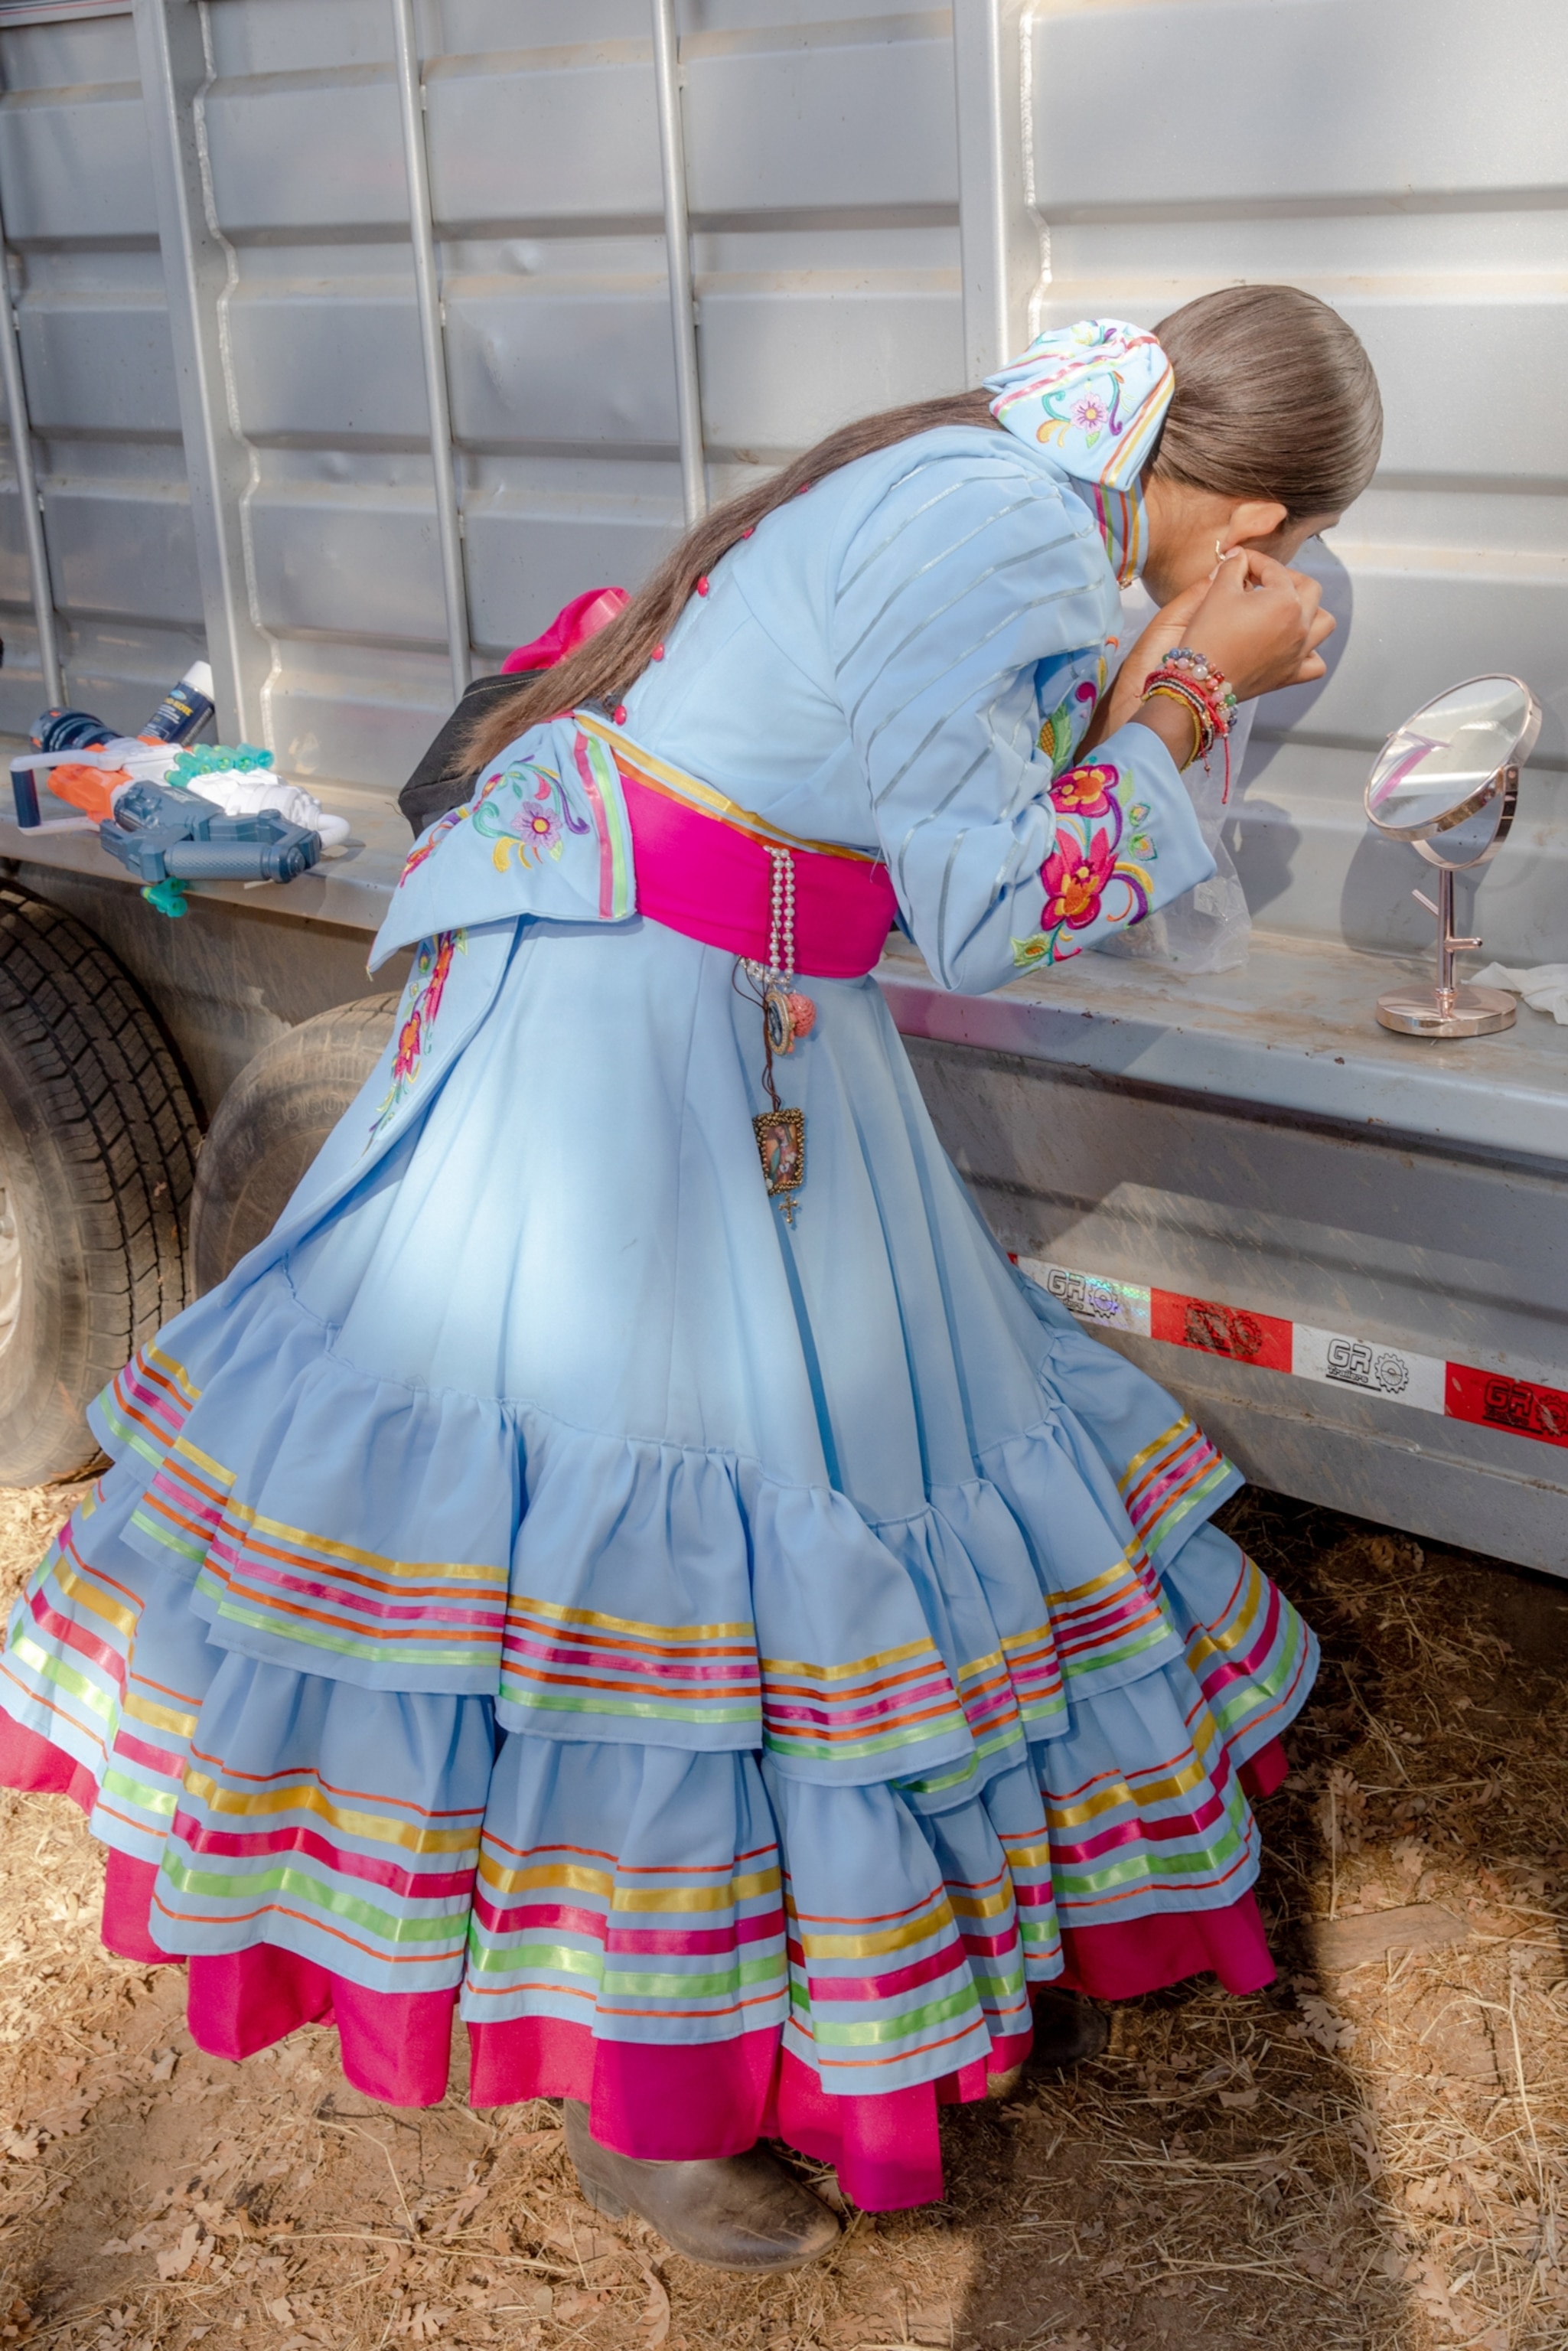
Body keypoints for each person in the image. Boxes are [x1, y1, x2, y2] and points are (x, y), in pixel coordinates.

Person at [0, 287, 1380, 2274]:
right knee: (683, 1580)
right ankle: (658, 2093)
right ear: (1233, 498)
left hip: (723, 1012)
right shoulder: (1001, 528)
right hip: (650, 1039)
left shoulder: (1000, 505)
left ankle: (759, 2024)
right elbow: (991, 906)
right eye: (1269, 552)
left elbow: (923, 821)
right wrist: (1181, 701)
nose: (1263, 587)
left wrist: (1163, 671)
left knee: (787, 1533)